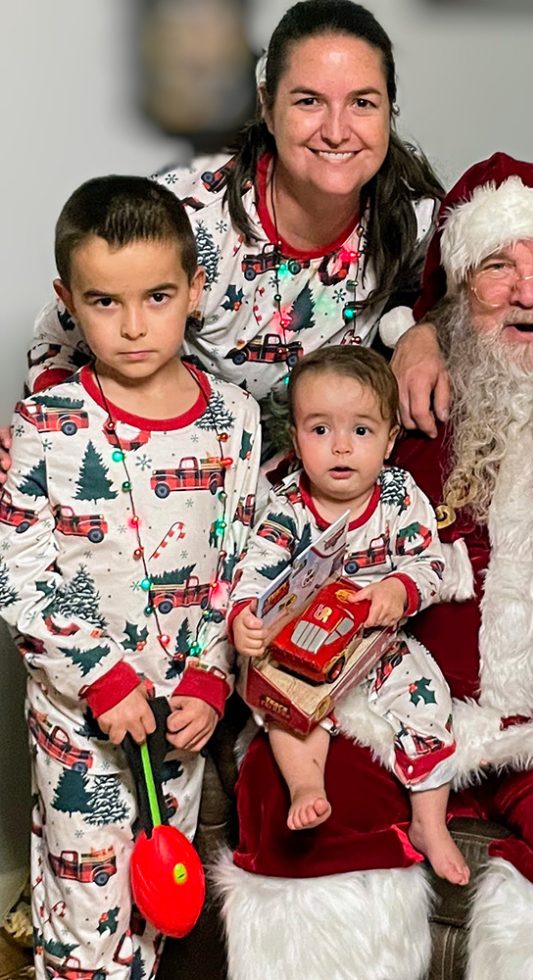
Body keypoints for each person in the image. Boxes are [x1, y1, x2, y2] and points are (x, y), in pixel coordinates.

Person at [215, 153, 533, 980]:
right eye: (497, 266)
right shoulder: (389, 400)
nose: (528, 290)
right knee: (288, 800)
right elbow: (282, 515)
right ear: (459, 293)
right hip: (394, 711)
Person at [0, 176, 260, 978]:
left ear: (195, 290)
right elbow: (19, 576)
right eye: (105, 302)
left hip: (180, 719)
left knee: (157, 908)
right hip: (81, 720)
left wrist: (213, 676)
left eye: (157, 297)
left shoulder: (234, 420)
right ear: (68, 303)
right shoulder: (47, 425)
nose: (135, 325)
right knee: (86, 921)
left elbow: (244, 562)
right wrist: (101, 678)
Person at [21, 0, 442, 430]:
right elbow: (59, 337)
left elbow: (465, 301)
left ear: (389, 110)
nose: (336, 131)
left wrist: (427, 333)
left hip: (323, 462)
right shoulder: (186, 214)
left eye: (362, 103)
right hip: (177, 453)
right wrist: (49, 435)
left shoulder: (414, 219)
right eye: (309, 101)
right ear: (268, 107)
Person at [227, 345, 468, 884]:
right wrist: (246, 616)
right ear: (296, 441)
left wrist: (399, 589)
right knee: (284, 708)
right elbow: (256, 569)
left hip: (377, 643)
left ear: (389, 440)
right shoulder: (288, 507)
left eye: (361, 431)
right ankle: (306, 785)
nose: (340, 446)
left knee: (429, 703)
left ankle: (429, 821)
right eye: (320, 430)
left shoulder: (398, 497)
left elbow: (431, 560)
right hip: (302, 644)